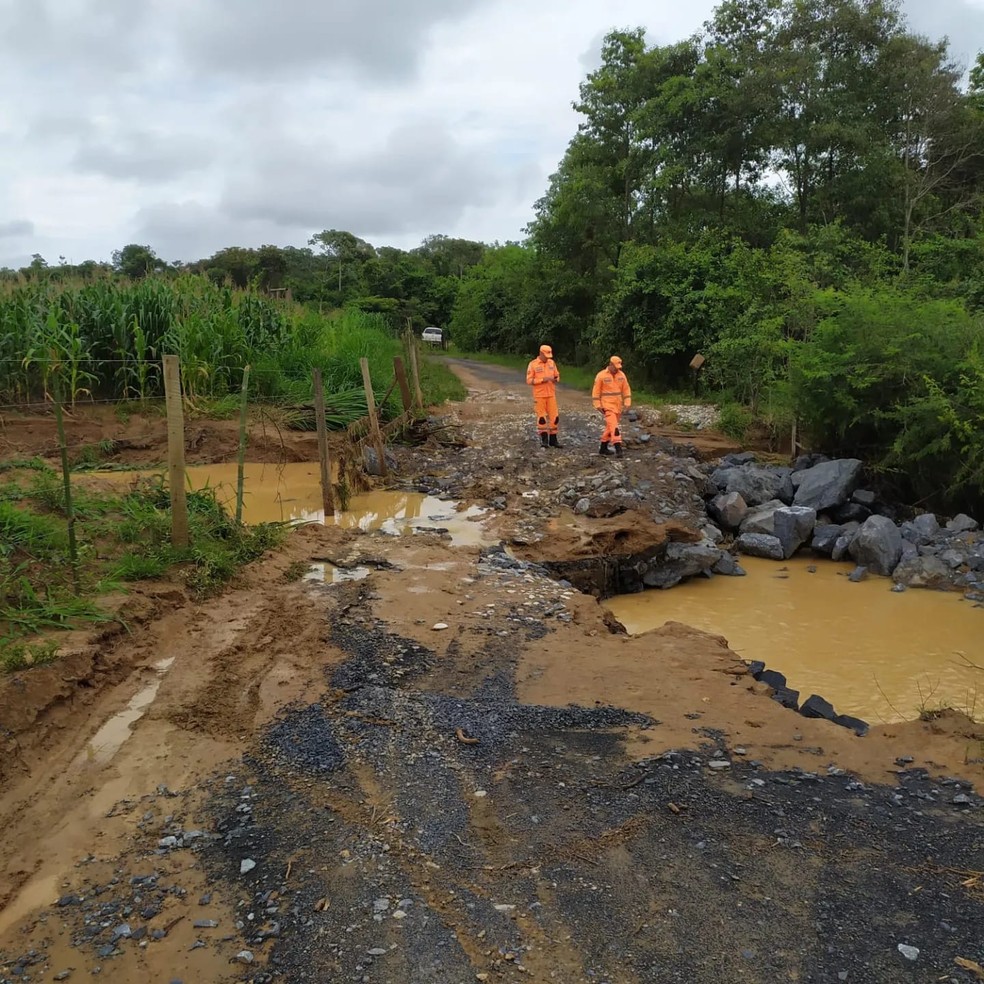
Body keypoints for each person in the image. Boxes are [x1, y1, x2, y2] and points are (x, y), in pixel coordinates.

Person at [592, 355, 631, 457]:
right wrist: (597, 405)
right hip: (607, 406)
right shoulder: (601, 375)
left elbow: (626, 389)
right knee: (614, 427)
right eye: (616, 367)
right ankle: (618, 449)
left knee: (610, 428)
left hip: (618, 406)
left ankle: (603, 448)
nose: (617, 369)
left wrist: (627, 403)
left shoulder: (621, 375)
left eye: (619, 367)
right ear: (610, 364)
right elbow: (596, 392)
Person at [526, 344, 562, 448]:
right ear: (541, 353)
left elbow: (557, 375)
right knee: (542, 419)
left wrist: (556, 378)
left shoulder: (552, 363)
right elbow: (529, 380)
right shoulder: (533, 364)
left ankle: (553, 440)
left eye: (549, 356)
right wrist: (542, 380)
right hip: (539, 395)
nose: (547, 358)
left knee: (555, 418)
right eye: (546, 355)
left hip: (551, 394)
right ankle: (544, 440)